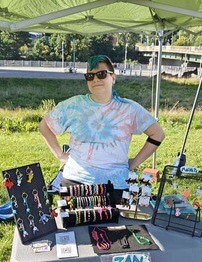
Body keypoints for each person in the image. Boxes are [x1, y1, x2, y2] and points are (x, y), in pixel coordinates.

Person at [39, 55, 165, 197]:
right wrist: (59, 154)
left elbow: (157, 133)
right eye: (90, 76)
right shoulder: (74, 105)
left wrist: (135, 162)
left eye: (102, 74)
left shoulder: (129, 109)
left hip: (115, 186)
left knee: (114, 220)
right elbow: (45, 126)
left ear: (113, 77)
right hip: (75, 182)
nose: (96, 79)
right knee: (71, 219)